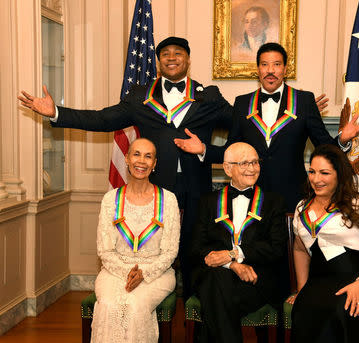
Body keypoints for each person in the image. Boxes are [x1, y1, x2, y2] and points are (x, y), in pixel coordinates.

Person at [18, 36, 232, 297]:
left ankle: (194, 320)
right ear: (158, 61)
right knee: (153, 253)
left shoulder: (208, 96)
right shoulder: (140, 96)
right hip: (155, 191)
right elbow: (102, 119)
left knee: (193, 254)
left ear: (188, 59)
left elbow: (243, 134)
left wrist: (207, 151)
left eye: (178, 53)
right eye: (165, 54)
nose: (172, 57)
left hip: (196, 189)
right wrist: (57, 113)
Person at [176, 42, 359, 213]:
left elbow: (324, 148)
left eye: (276, 64)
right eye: (265, 64)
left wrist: (342, 139)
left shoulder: (304, 101)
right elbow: (230, 150)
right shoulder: (242, 103)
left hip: (293, 196)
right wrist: (203, 149)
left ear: (285, 69)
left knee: (291, 250)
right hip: (251, 195)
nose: (270, 70)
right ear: (257, 69)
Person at [287, 144, 359, 343]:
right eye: (312, 172)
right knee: (304, 311)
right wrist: (301, 289)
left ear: (339, 175)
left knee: (339, 311)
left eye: (324, 172)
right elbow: (299, 249)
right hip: (321, 279)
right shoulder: (301, 207)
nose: (316, 179)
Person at [190, 142, 287, 343]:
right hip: (217, 273)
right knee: (218, 280)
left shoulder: (273, 202)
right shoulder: (208, 201)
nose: (252, 168)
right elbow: (197, 246)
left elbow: (276, 248)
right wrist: (232, 264)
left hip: (256, 278)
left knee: (215, 291)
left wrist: (236, 253)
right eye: (244, 163)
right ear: (227, 168)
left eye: (255, 162)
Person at [92, 138, 180, 343]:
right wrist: (127, 272)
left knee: (134, 305)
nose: (142, 161)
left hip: (157, 274)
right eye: (137, 154)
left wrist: (144, 273)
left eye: (148, 156)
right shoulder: (110, 199)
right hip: (114, 271)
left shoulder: (168, 200)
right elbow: (104, 250)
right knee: (108, 304)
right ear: (127, 158)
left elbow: (170, 252)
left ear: (155, 163)